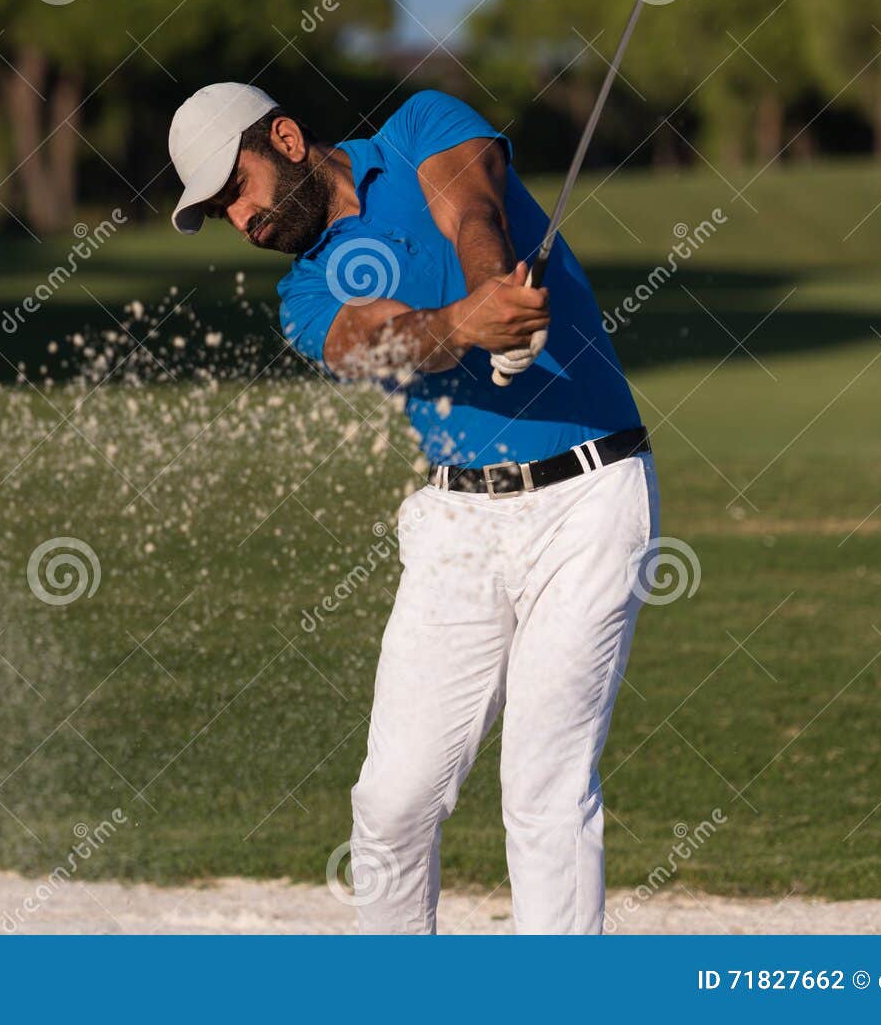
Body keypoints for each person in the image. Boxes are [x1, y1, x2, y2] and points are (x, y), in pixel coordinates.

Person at [168, 82, 659, 934]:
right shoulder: (304, 294)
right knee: (392, 802)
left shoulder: (419, 127)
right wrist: (471, 324)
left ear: (284, 137)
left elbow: (471, 207)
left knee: (543, 786)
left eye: (235, 189)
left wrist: (492, 289)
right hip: (458, 523)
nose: (239, 220)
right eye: (219, 214)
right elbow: (375, 338)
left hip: (590, 497)